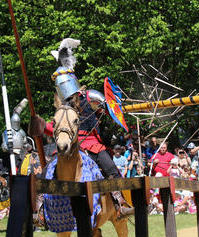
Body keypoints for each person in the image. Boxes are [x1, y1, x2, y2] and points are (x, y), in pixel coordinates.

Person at [29, 38, 133, 217]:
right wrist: (41, 125)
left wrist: (107, 109)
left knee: (109, 167)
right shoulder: (62, 107)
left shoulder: (91, 97)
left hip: (92, 143)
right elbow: (54, 128)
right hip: (69, 144)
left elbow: (109, 112)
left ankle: (120, 202)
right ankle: (39, 212)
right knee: (43, 174)